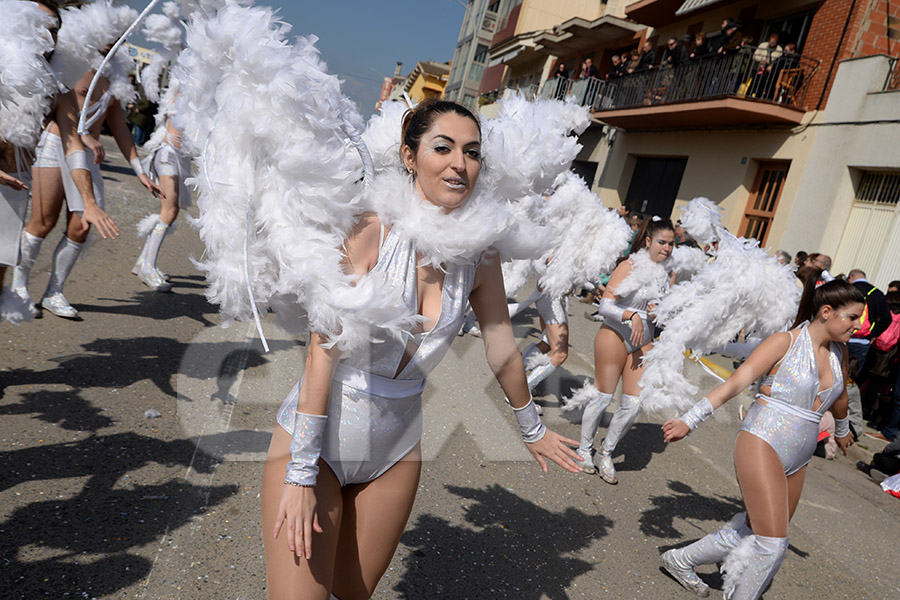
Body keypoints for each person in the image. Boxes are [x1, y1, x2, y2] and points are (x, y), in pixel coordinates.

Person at [261, 100, 582, 599]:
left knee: (354, 592)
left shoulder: (480, 252)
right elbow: (321, 352)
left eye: (472, 153)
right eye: (443, 147)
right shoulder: (368, 230)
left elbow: (500, 345)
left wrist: (532, 427)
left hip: (396, 447)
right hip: (318, 443)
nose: (460, 163)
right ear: (410, 157)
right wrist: (301, 473)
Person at [660, 278, 863, 599]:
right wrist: (690, 419)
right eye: (853, 317)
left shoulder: (840, 352)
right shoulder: (785, 342)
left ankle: (680, 559)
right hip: (761, 440)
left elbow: (839, 397)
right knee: (772, 544)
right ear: (827, 312)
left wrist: (841, 430)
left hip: (800, 454)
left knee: (758, 530)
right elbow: (735, 382)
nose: (859, 324)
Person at [7, 0, 122, 320]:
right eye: (37, 27)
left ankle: (48, 291)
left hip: (14, 184)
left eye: (53, 30)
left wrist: (89, 201)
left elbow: (72, 142)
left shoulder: (58, 84)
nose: (46, 37)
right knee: (41, 224)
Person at [568, 217, 676, 484]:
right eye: (662, 242)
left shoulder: (666, 274)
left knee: (634, 403)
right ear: (648, 241)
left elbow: (664, 312)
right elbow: (605, 306)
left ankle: (606, 452)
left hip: (643, 340)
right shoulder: (628, 266)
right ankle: (583, 450)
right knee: (603, 397)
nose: (667, 248)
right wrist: (632, 315)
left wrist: (657, 311)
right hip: (614, 333)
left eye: (672, 244)